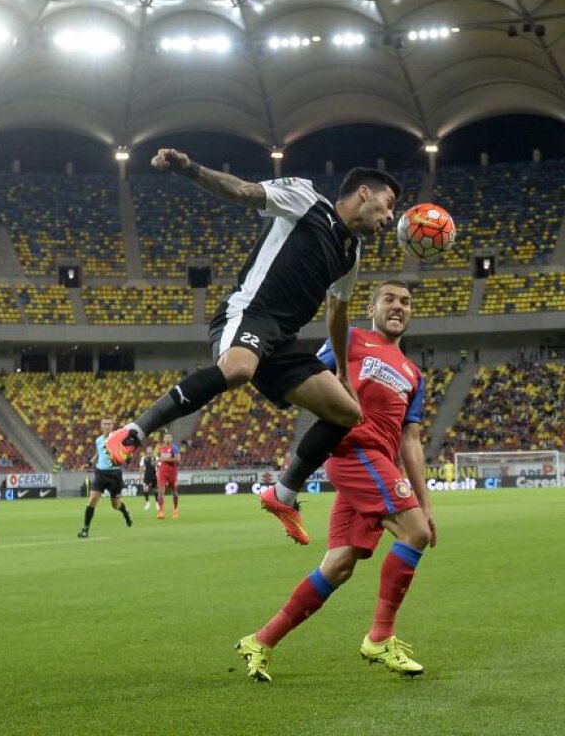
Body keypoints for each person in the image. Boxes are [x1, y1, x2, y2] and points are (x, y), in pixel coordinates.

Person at [99, 148, 400, 545]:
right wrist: (190, 169)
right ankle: (134, 432)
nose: (391, 216)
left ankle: (284, 495)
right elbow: (241, 190)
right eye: (388, 204)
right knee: (240, 368)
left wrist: (344, 373)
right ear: (364, 192)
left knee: (347, 412)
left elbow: (337, 313)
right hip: (248, 313)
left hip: (283, 342)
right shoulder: (306, 199)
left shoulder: (351, 253)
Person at [235, 280, 436, 682]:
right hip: (354, 451)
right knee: (414, 534)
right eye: (389, 299)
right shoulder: (351, 339)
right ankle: (380, 637)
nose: (398, 306)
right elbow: (309, 376)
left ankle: (261, 640)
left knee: (340, 565)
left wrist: (425, 503)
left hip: (380, 466)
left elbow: (411, 441)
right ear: (372, 309)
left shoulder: (413, 374)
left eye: (406, 302)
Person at [78, 417, 133, 538]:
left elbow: (128, 454)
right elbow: (99, 453)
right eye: (105, 424)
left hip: (115, 475)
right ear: (101, 426)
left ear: (112, 426)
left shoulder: (119, 439)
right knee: (92, 499)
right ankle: (85, 529)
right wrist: (90, 464)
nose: (107, 426)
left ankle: (125, 512)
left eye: (109, 424)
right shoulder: (98, 440)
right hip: (100, 474)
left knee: (116, 505)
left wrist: (128, 455)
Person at [156, 431, 180, 520]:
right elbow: (159, 458)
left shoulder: (174, 447)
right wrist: (158, 461)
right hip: (162, 471)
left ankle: (175, 508)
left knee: (175, 492)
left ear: (172, 438)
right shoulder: (161, 447)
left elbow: (178, 459)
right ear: (164, 438)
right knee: (161, 491)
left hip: (172, 472)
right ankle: (161, 511)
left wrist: (165, 459)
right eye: (166, 437)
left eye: (169, 437)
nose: (168, 439)